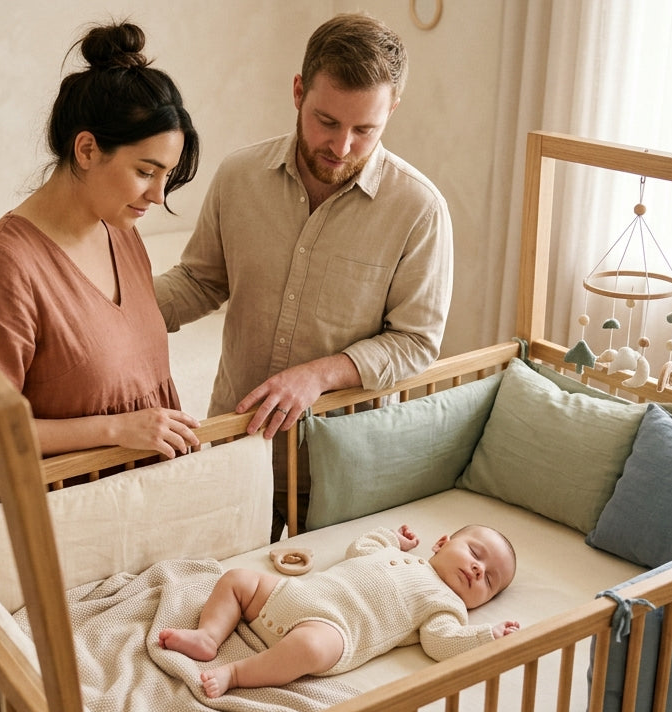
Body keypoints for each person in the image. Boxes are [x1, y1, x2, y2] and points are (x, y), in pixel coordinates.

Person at [152, 13, 453, 536]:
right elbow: (201, 280)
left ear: (392, 110)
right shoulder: (238, 177)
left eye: (365, 130)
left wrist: (318, 375)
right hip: (237, 446)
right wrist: (111, 311)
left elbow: (415, 343)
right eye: (327, 121)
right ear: (298, 91)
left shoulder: (419, 209)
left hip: (343, 465)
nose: (341, 147)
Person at [0, 21, 203, 479]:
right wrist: (114, 429)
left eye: (167, 175)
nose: (158, 196)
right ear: (86, 149)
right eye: (146, 171)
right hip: (52, 518)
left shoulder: (119, 227)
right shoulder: (2, 270)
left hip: (141, 501)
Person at [159, 524, 519, 698]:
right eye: (475, 554)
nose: (477, 570)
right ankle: (209, 635)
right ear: (441, 543)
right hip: (298, 593)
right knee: (237, 579)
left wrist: (488, 637)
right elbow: (359, 547)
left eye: (489, 580)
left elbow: (442, 642)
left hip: (334, 629)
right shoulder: (400, 555)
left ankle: (236, 674)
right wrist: (394, 539)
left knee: (309, 649)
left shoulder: (447, 605)